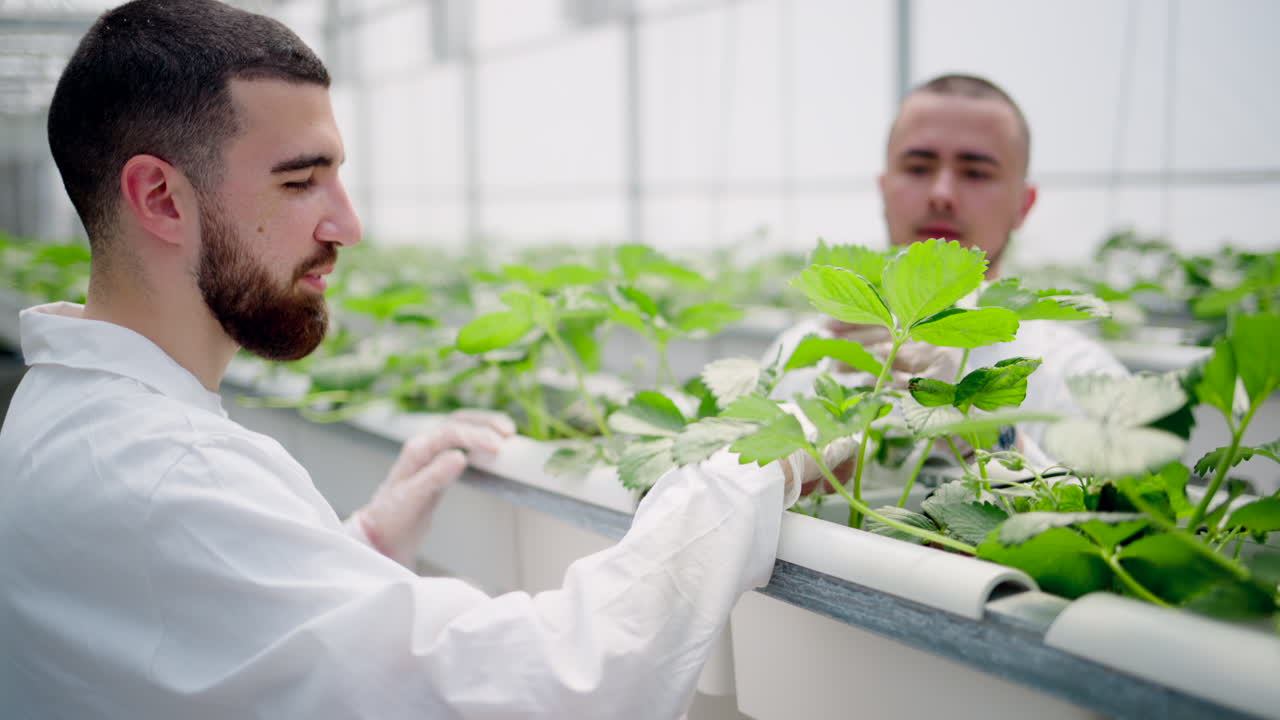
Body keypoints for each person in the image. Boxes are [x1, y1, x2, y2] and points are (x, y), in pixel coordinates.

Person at [0, 2, 842, 717]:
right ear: (158, 197)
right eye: (301, 183)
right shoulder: (162, 474)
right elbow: (548, 689)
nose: (347, 225)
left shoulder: (66, 418)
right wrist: (735, 471)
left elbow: (198, 642)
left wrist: (362, 543)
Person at [770, 74, 1128, 464]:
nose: (941, 194)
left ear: (1024, 205)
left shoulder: (1079, 378)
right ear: (884, 189)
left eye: (975, 173)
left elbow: (1103, 519)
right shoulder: (801, 354)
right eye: (919, 167)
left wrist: (978, 426)